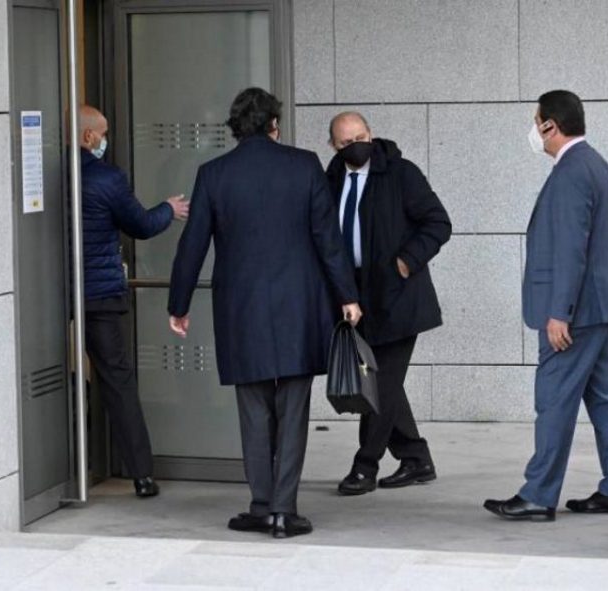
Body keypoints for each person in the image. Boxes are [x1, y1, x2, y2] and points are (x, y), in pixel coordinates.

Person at [167, 88, 362, 538]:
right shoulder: (304, 165)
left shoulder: (214, 174)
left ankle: (260, 503)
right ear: (275, 125)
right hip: (300, 304)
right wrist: (347, 296)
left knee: (253, 407)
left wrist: (178, 305)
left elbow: (191, 245)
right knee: (293, 406)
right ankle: (283, 510)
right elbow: (327, 238)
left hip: (241, 309)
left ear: (236, 128)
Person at [484, 90, 608, 521]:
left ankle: (538, 494)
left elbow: (571, 248)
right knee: (605, 399)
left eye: (536, 122)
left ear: (550, 125)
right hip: (601, 307)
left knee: (553, 399)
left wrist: (559, 313)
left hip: (577, 313)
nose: (534, 131)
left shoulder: (571, 171)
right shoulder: (595, 164)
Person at [325, 112, 452, 496]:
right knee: (385, 382)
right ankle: (415, 458)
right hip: (355, 297)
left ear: (372, 134)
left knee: (378, 384)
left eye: (360, 137)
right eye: (346, 142)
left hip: (399, 296)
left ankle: (365, 466)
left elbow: (438, 222)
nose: (355, 145)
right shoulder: (329, 180)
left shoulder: (401, 173)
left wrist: (406, 260)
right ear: (334, 145)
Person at [79, 105, 189, 498]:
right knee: (118, 382)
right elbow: (140, 224)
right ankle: (141, 474)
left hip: (51, 298)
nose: (107, 140)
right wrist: (168, 209)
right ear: (89, 137)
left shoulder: (45, 174)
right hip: (99, 296)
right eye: (104, 132)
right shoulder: (106, 179)